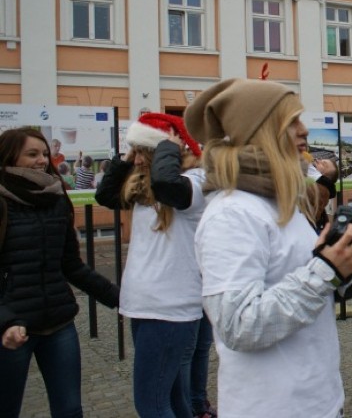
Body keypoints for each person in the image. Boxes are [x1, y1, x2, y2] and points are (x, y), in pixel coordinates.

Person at [184, 78, 352, 416]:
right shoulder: (232, 213)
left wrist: (337, 267)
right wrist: (325, 272)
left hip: (316, 401)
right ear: (261, 130)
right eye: (291, 121)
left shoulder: (280, 201)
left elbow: (299, 284)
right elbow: (239, 324)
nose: (303, 131)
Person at [0, 127, 119, 417]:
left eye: (44, 153)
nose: (42, 160)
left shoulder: (55, 198)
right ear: (9, 155)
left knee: (69, 409)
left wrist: (120, 298)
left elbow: (71, 266)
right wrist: (6, 320)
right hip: (11, 329)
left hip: (59, 323)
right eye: (32, 154)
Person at [95, 113, 206, 418]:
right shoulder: (144, 186)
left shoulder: (197, 182)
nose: (139, 162)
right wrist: (127, 158)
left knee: (152, 405)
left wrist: (168, 147)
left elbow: (168, 184)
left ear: (166, 153)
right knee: (175, 402)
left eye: (145, 154)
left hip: (170, 307)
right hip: (143, 304)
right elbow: (104, 196)